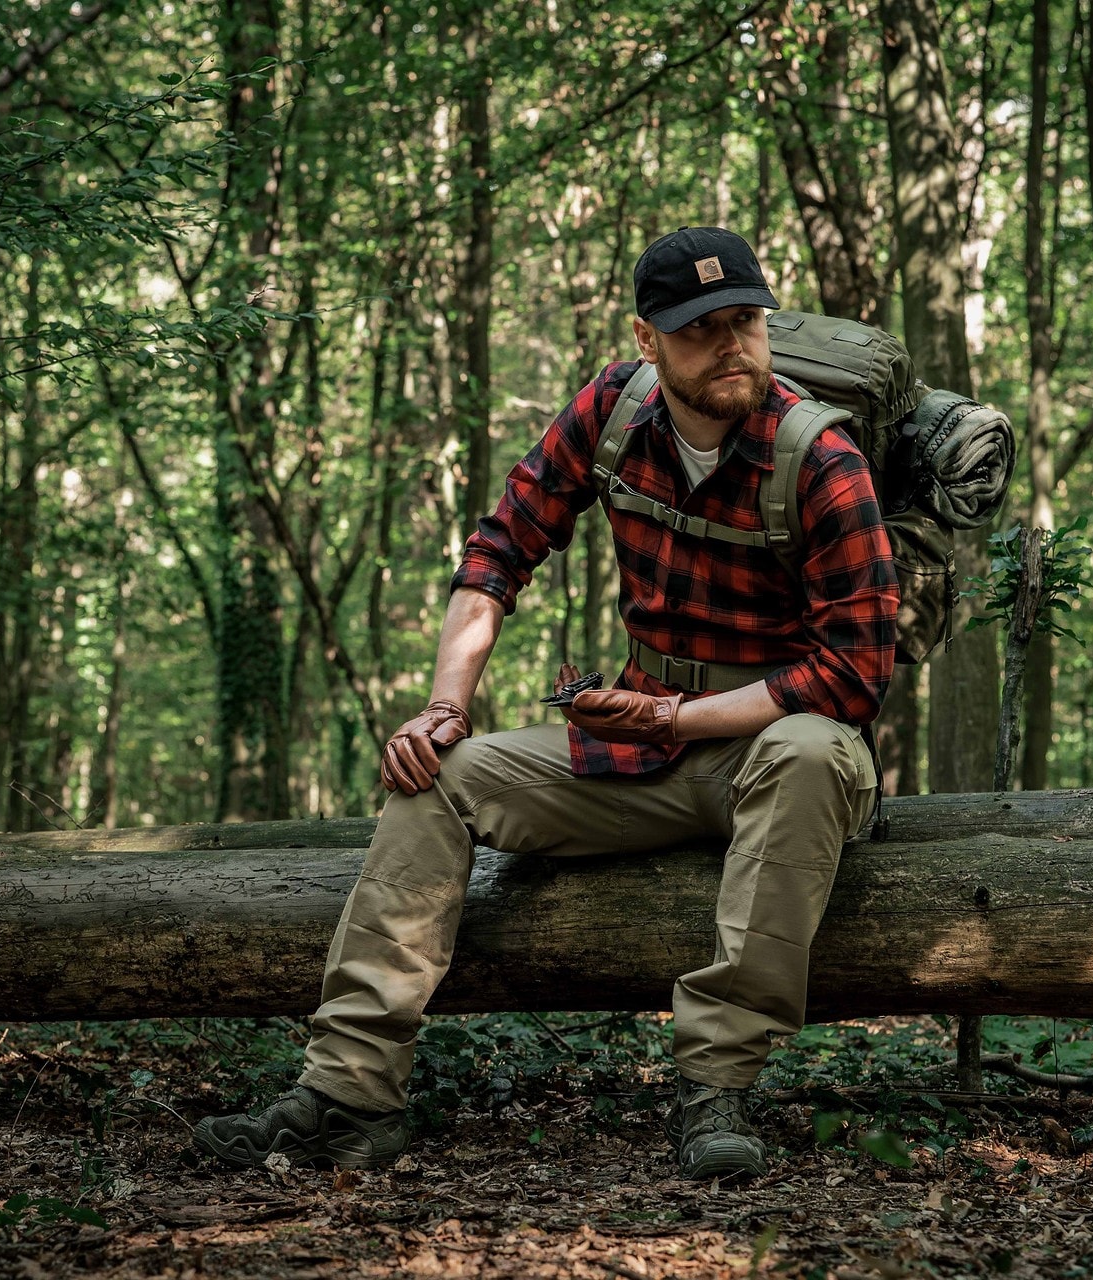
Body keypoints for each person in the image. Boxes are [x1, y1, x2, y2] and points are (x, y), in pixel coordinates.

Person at [194, 227, 897, 1180]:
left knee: (810, 750)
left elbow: (854, 674)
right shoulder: (613, 411)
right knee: (435, 775)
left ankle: (717, 1089)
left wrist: (679, 719)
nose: (732, 345)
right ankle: (349, 1095)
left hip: (779, 753)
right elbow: (499, 550)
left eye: (746, 321)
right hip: (647, 747)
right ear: (648, 340)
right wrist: (444, 706)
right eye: (701, 329)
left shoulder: (821, 459)